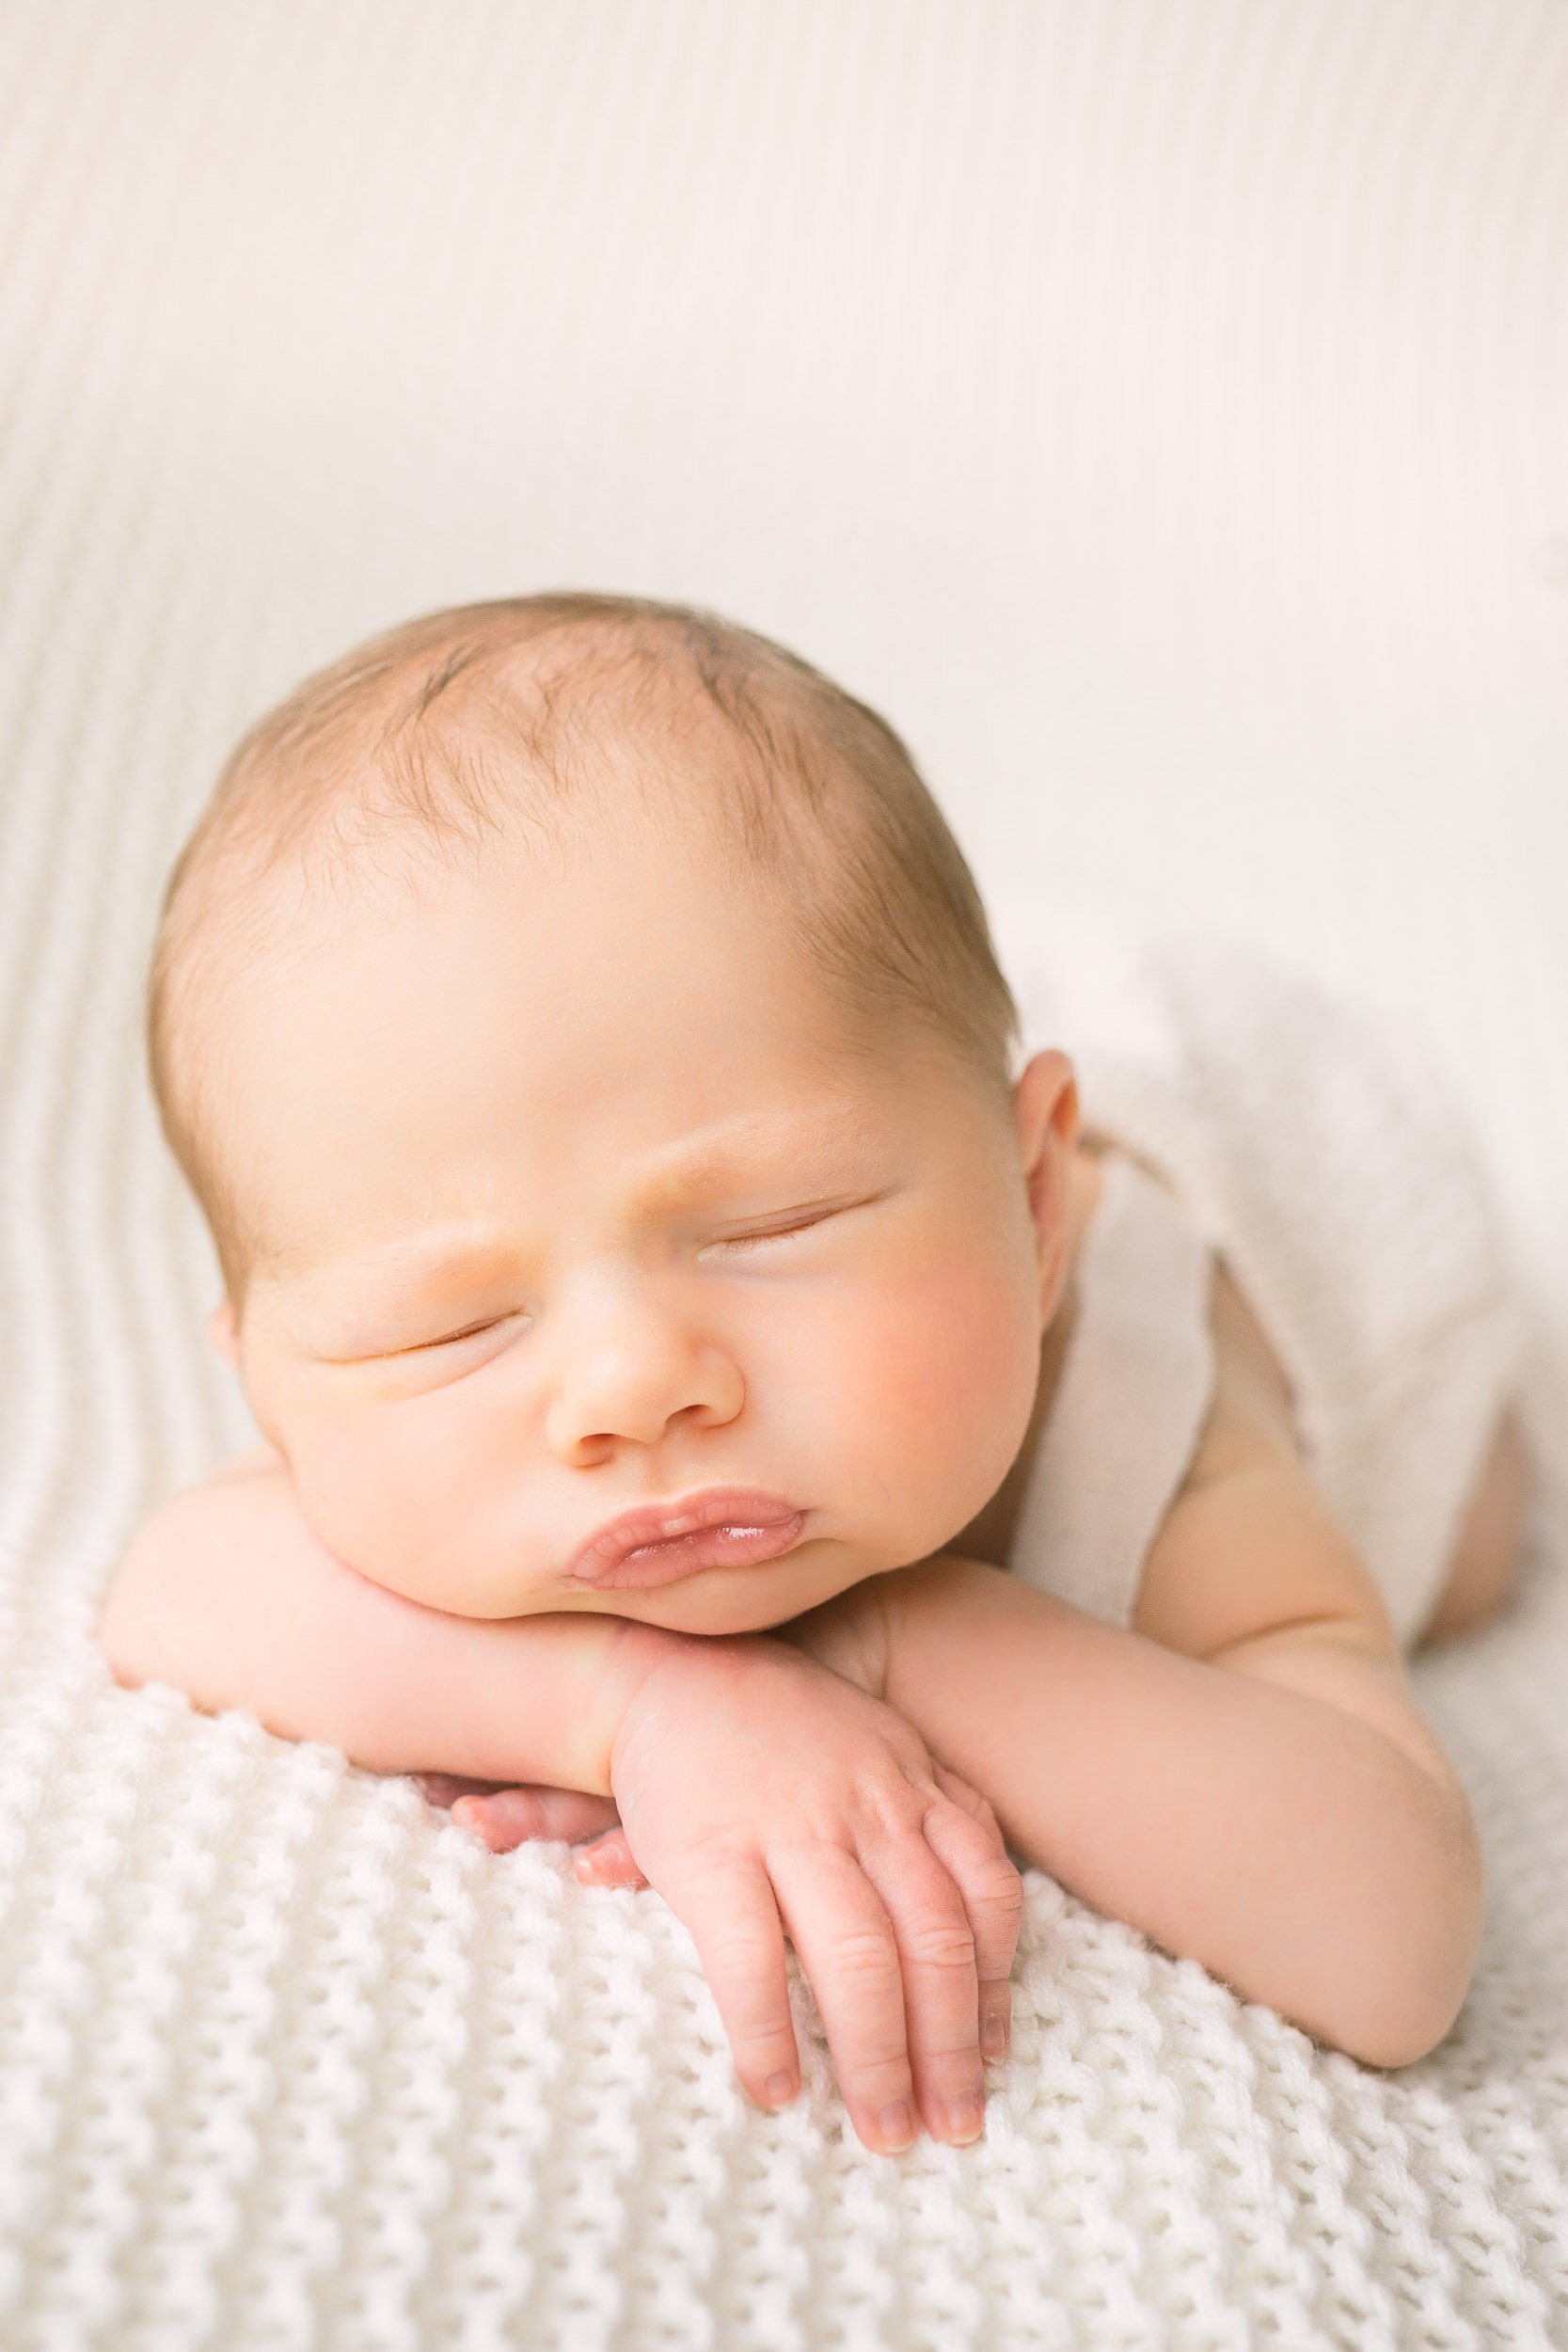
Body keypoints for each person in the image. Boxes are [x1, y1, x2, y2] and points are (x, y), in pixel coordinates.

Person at [99, 593, 1530, 2160]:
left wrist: (894, 1643)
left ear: (1039, 1211)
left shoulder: (1159, 1427)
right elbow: (173, 1586)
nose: (633, 1387)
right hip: (838, 1066)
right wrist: (642, 1703)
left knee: (1465, 1552)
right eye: (453, 1325)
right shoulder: (444, 1453)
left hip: (1320, 1226)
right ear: (272, 1392)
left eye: (775, 1227)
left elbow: (1393, 1942)